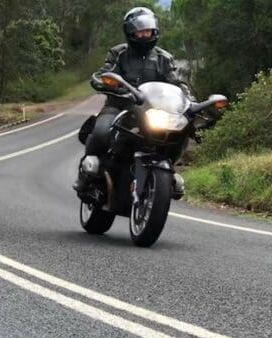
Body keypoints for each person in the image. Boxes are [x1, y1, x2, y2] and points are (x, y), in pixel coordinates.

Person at [73, 7, 190, 196]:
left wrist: (188, 101)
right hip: (119, 106)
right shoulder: (119, 53)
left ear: (155, 31)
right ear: (130, 32)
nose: (144, 35)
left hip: (150, 111)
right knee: (102, 131)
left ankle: (169, 173)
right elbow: (103, 73)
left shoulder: (164, 58)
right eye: (140, 31)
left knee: (179, 135)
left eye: (148, 31)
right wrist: (104, 82)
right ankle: (86, 172)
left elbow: (177, 83)